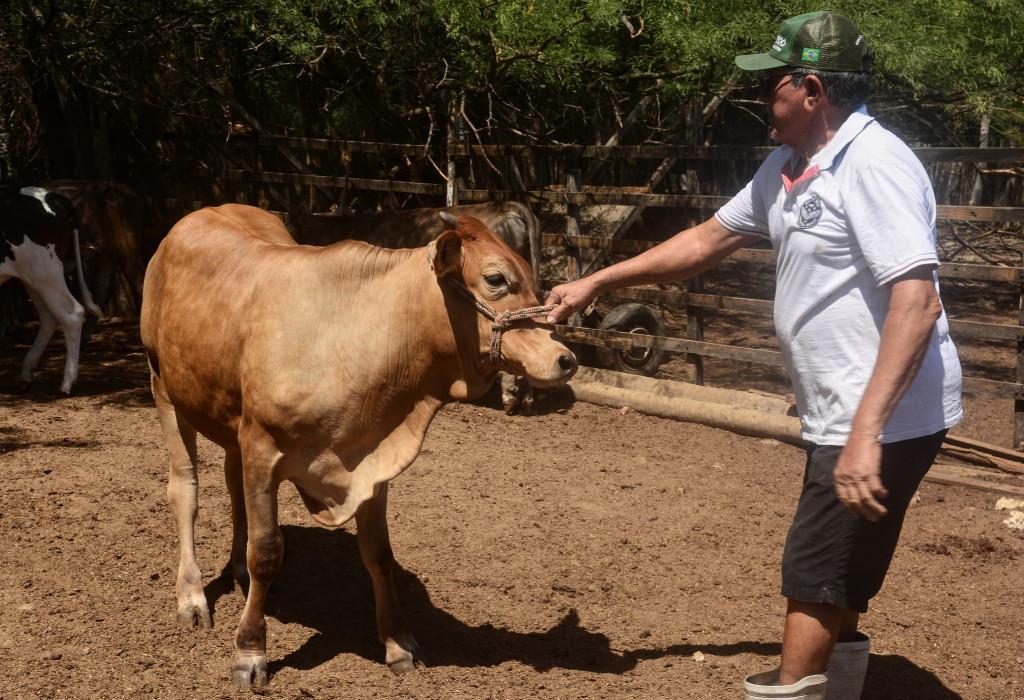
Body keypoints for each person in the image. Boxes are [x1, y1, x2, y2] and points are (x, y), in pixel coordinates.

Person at [544, 11, 963, 700]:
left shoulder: (874, 164)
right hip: (851, 408)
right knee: (842, 569)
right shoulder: (789, 166)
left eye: (772, 84)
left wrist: (864, 435)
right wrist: (597, 280)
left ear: (813, 90)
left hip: (880, 415)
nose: (762, 97)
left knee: (812, 572)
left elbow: (917, 304)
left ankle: (793, 689)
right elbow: (708, 240)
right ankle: (841, 685)